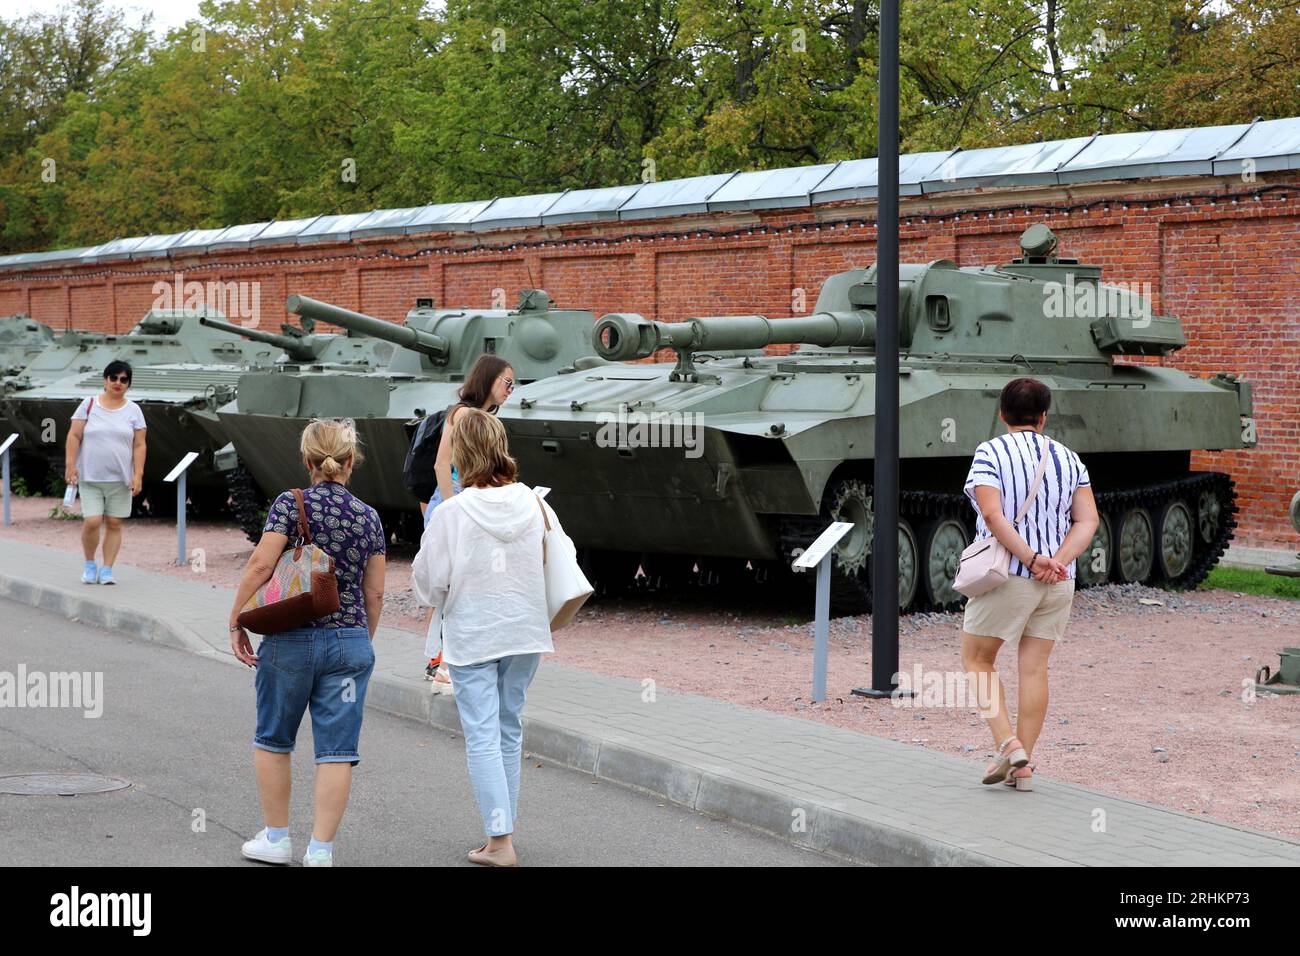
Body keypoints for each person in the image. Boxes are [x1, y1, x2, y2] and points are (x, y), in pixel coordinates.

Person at [228, 418, 386, 867]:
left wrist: (236, 620)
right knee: (337, 750)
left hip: (290, 641)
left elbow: (260, 566)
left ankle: (277, 840)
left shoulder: (288, 503)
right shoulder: (370, 517)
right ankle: (321, 850)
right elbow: (374, 592)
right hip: (350, 642)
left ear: (307, 461)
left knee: (274, 739)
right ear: (351, 462)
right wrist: (360, 641)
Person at [411, 409, 558, 866]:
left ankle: (500, 842)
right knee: (509, 728)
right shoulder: (534, 503)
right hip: (526, 629)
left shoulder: (452, 513)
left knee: (481, 735)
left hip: (474, 633)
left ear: (463, 452)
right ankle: (502, 830)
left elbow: (428, 584)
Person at [959, 378, 1099, 792]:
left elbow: (992, 515)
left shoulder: (990, 452)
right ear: (1044, 416)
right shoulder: (1070, 459)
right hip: (1059, 582)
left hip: (1010, 576)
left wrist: (1031, 559)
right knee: (1035, 668)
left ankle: (1008, 744)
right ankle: (1024, 769)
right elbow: (1087, 520)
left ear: (1001, 414)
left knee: (977, 660)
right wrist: (1057, 562)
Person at [421, 355, 515, 685]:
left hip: (469, 505)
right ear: (488, 379)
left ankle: (450, 659)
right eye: (506, 382)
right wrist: (453, 510)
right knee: (450, 590)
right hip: (457, 506)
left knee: (462, 590)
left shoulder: (484, 416)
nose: (510, 389)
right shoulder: (462, 414)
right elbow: (441, 464)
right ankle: (438, 662)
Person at [64, 360, 146, 585]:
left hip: (120, 478)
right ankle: (90, 563)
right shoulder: (89, 405)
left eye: (123, 379)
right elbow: (74, 435)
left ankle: (107, 569)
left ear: (128, 383)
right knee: (92, 521)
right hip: (90, 476)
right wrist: (71, 464)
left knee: (114, 523)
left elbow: (140, 444)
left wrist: (138, 474)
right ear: (105, 380)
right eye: (113, 378)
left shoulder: (134, 410)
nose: (118, 383)